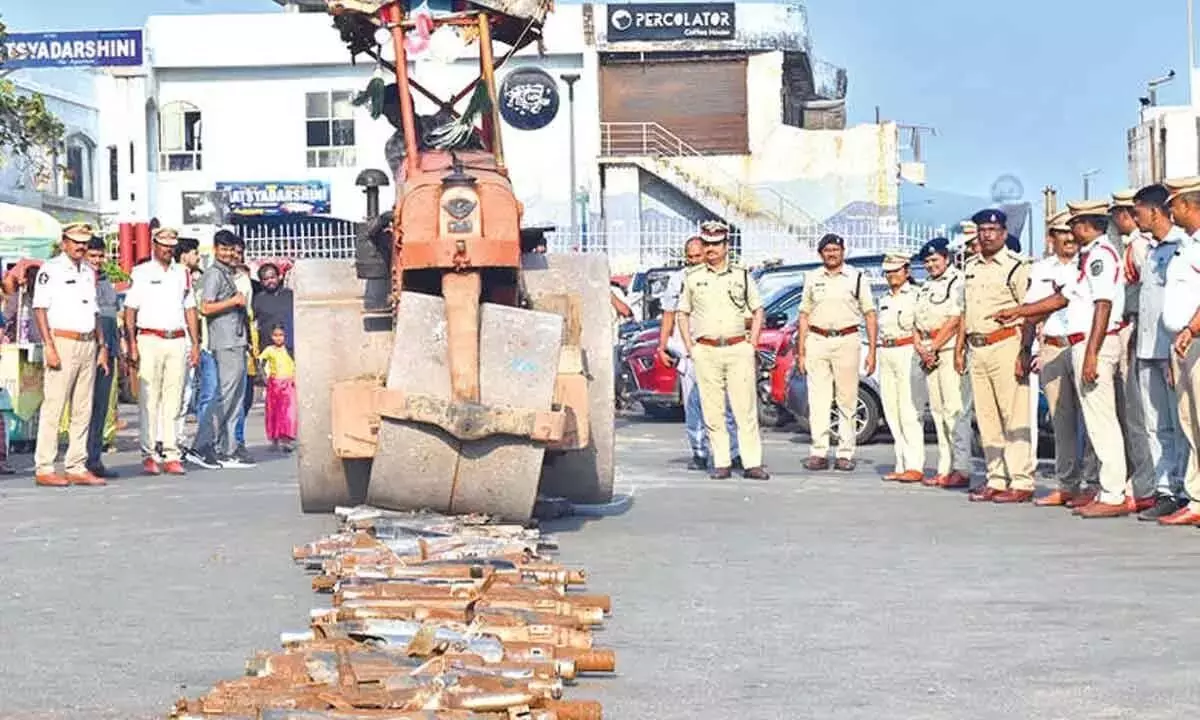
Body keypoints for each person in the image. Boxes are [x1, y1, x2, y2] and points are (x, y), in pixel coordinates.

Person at [995, 201, 1127, 516]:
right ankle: (1104, 491)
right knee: (1093, 422)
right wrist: (1017, 311)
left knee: (1101, 422)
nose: (1072, 233)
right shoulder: (1088, 257)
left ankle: (1112, 494)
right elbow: (1060, 299)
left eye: (1075, 226)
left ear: (1085, 225)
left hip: (1093, 343)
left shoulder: (1101, 256)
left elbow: (1103, 306)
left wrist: (1092, 354)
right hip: (1079, 345)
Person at [676, 220, 769, 480]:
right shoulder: (694, 278)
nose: (710, 249)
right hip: (706, 350)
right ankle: (721, 461)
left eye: (716, 244)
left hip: (738, 347)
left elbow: (758, 309)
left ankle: (752, 463)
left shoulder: (741, 275)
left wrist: (753, 343)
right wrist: (690, 346)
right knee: (713, 409)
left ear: (726, 246)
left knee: (744, 409)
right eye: (706, 243)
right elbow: (682, 313)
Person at [955, 209, 1034, 503]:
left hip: (1005, 344)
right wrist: (961, 347)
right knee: (986, 417)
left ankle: (1021, 480)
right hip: (978, 347)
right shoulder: (971, 266)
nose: (987, 234)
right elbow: (967, 310)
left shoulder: (1016, 266)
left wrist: (1024, 352)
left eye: (992, 229)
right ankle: (996, 478)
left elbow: (1029, 313)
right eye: (982, 230)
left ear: (1003, 233)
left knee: (1012, 414)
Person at [1026, 211, 1098, 507]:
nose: (1068, 238)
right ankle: (1067, 483)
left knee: (1094, 416)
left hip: (1085, 344)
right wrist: (1028, 350)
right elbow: (1032, 311)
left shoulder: (1091, 261)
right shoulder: (1041, 269)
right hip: (1054, 346)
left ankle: (1094, 483)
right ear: (1050, 238)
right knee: (1061, 418)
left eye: (1071, 231)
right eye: (1061, 232)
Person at [31, 222, 110, 487]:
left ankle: (76, 465)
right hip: (62, 340)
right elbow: (40, 309)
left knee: (82, 408)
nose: (80, 246)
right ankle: (44, 466)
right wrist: (49, 346)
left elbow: (94, 311)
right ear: (64, 242)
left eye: (84, 242)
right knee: (54, 406)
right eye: (75, 241)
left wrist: (102, 346)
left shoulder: (89, 271)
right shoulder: (50, 269)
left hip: (88, 341)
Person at [1128, 184, 1189, 520]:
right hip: (1147, 348)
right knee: (1155, 426)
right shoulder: (1149, 249)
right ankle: (1164, 488)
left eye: (1138, 212)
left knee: (1179, 425)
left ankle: (1183, 489)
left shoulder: (1182, 246)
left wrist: (1171, 350)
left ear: (1155, 211)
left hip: (1170, 349)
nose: (1135, 219)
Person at [656, 236, 741, 470]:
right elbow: (669, 315)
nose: (694, 261)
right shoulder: (678, 280)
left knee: (726, 403)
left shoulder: (722, 277)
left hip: (718, 347)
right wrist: (662, 346)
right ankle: (700, 452)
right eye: (690, 257)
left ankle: (732, 452)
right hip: (688, 350)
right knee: (694, 404)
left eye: (698, 256)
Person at [795, 232, 877, 472]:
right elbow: (803, 315)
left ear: (843, 252)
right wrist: (801, 351)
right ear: (821, 253)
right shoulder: (812, 278)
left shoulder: (856, 277)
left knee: (847, 399)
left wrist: (872, 351)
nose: (832, 254)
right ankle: (819, 451)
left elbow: (870, 314)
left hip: (847, 339)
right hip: (817, 339)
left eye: (836, 250)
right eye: (827, 250)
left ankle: (845, 452)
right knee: (818, 399)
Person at [124, 227, 201, 476]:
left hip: (177, 339)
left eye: (172, 247)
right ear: (155, 246)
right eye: (164, 246)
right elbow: (130, 310)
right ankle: (149, 453)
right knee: (149, 399)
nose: (168, 250)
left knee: (174, 400)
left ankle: (171, 452)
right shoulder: (142, 272)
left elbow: (189, 308)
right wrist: (132, 344)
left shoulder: (182, 273)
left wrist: (196, 343)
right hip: (149, 337)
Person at [913, 237, 972, 489]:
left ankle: (962, 467)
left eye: (935, 260)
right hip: (928, 350)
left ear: (946, 258)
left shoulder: (957, 281)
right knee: (937, 413)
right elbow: (916, 322)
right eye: (927, 261)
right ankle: (944, 467)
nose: (931, 265)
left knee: (955, 411)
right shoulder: (925, 286)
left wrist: (934, 347)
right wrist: (922, 348)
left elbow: (956, 318)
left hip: (947, 350)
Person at [1110, 189, 1156, 511]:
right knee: (1136, 414)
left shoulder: (1139, 247)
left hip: (1137, 327)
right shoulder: (1132, 247)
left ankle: (1145, 483)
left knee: (1139, 415)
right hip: (1134, 327)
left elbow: (1143, 292)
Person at [194, 229, 254, 469]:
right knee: (225, 397)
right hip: (224, 341)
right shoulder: (214, 275)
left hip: (236, 340)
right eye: (225, 249)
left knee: (235, 398)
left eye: (232, 249)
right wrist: (233, 301)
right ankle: (207, 445)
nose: (229, 253)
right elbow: (205, 307)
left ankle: (227, 448)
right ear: (216, 249)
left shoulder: (228, 274)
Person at [1159, 176, 1200, 525]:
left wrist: (1192, 328)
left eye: (1173, 204)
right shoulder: (1186, 245)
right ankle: (1197, 498)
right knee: (1190, 421)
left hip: (1196, 338)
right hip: (1183, 342)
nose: (1170, 211)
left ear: (1187, 205)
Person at [876, 251, 925, 482]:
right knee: (891, 410)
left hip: (908, 350)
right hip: (887, 351)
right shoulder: (884, 299)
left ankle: (915, 465)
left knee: (909, 409)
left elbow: (920, 326)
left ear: (907, 271)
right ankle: (901, 462)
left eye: (896, 271)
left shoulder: (916, 294)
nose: (891, 276)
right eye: (887, 272)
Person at [84, 237, 121, 479]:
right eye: (92, 256)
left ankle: (94, 458)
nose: (97, 261)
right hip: (87, 349)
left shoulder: (107, 283)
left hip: (109, 352)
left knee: (100, 406)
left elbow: (112, 318)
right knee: (82, 407)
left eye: (100, 256)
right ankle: (78, 460)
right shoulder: (79, 281)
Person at [230, 249, 259, 464]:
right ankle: (233, 442)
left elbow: (248, 312)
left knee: (246, 397)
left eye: (238, 252)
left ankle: (235, 440)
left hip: (246, 341)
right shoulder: (217, 278)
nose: (235, 255)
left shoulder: (246, 281)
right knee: (231, 398)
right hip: (225, 344)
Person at [258, 323, 297, 452]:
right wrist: (264, 378)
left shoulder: (290, 350)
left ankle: (287, 439)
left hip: (288, 384)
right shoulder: (269, 350)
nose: (278, 338)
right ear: (271, 336)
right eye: (275, 335)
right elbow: (260, 362)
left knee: (288, 413)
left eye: (281, 335)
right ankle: (274, 439)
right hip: (274, 384)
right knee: (274, 412)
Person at [253, 262, 294, 353]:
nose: (270, 281)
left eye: (272, 277)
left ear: (279, 277)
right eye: (265, 279)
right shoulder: (258, 299)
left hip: (289, 346)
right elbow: (253, 322)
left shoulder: (290, 295)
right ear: (261, 282)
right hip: (268, 348)